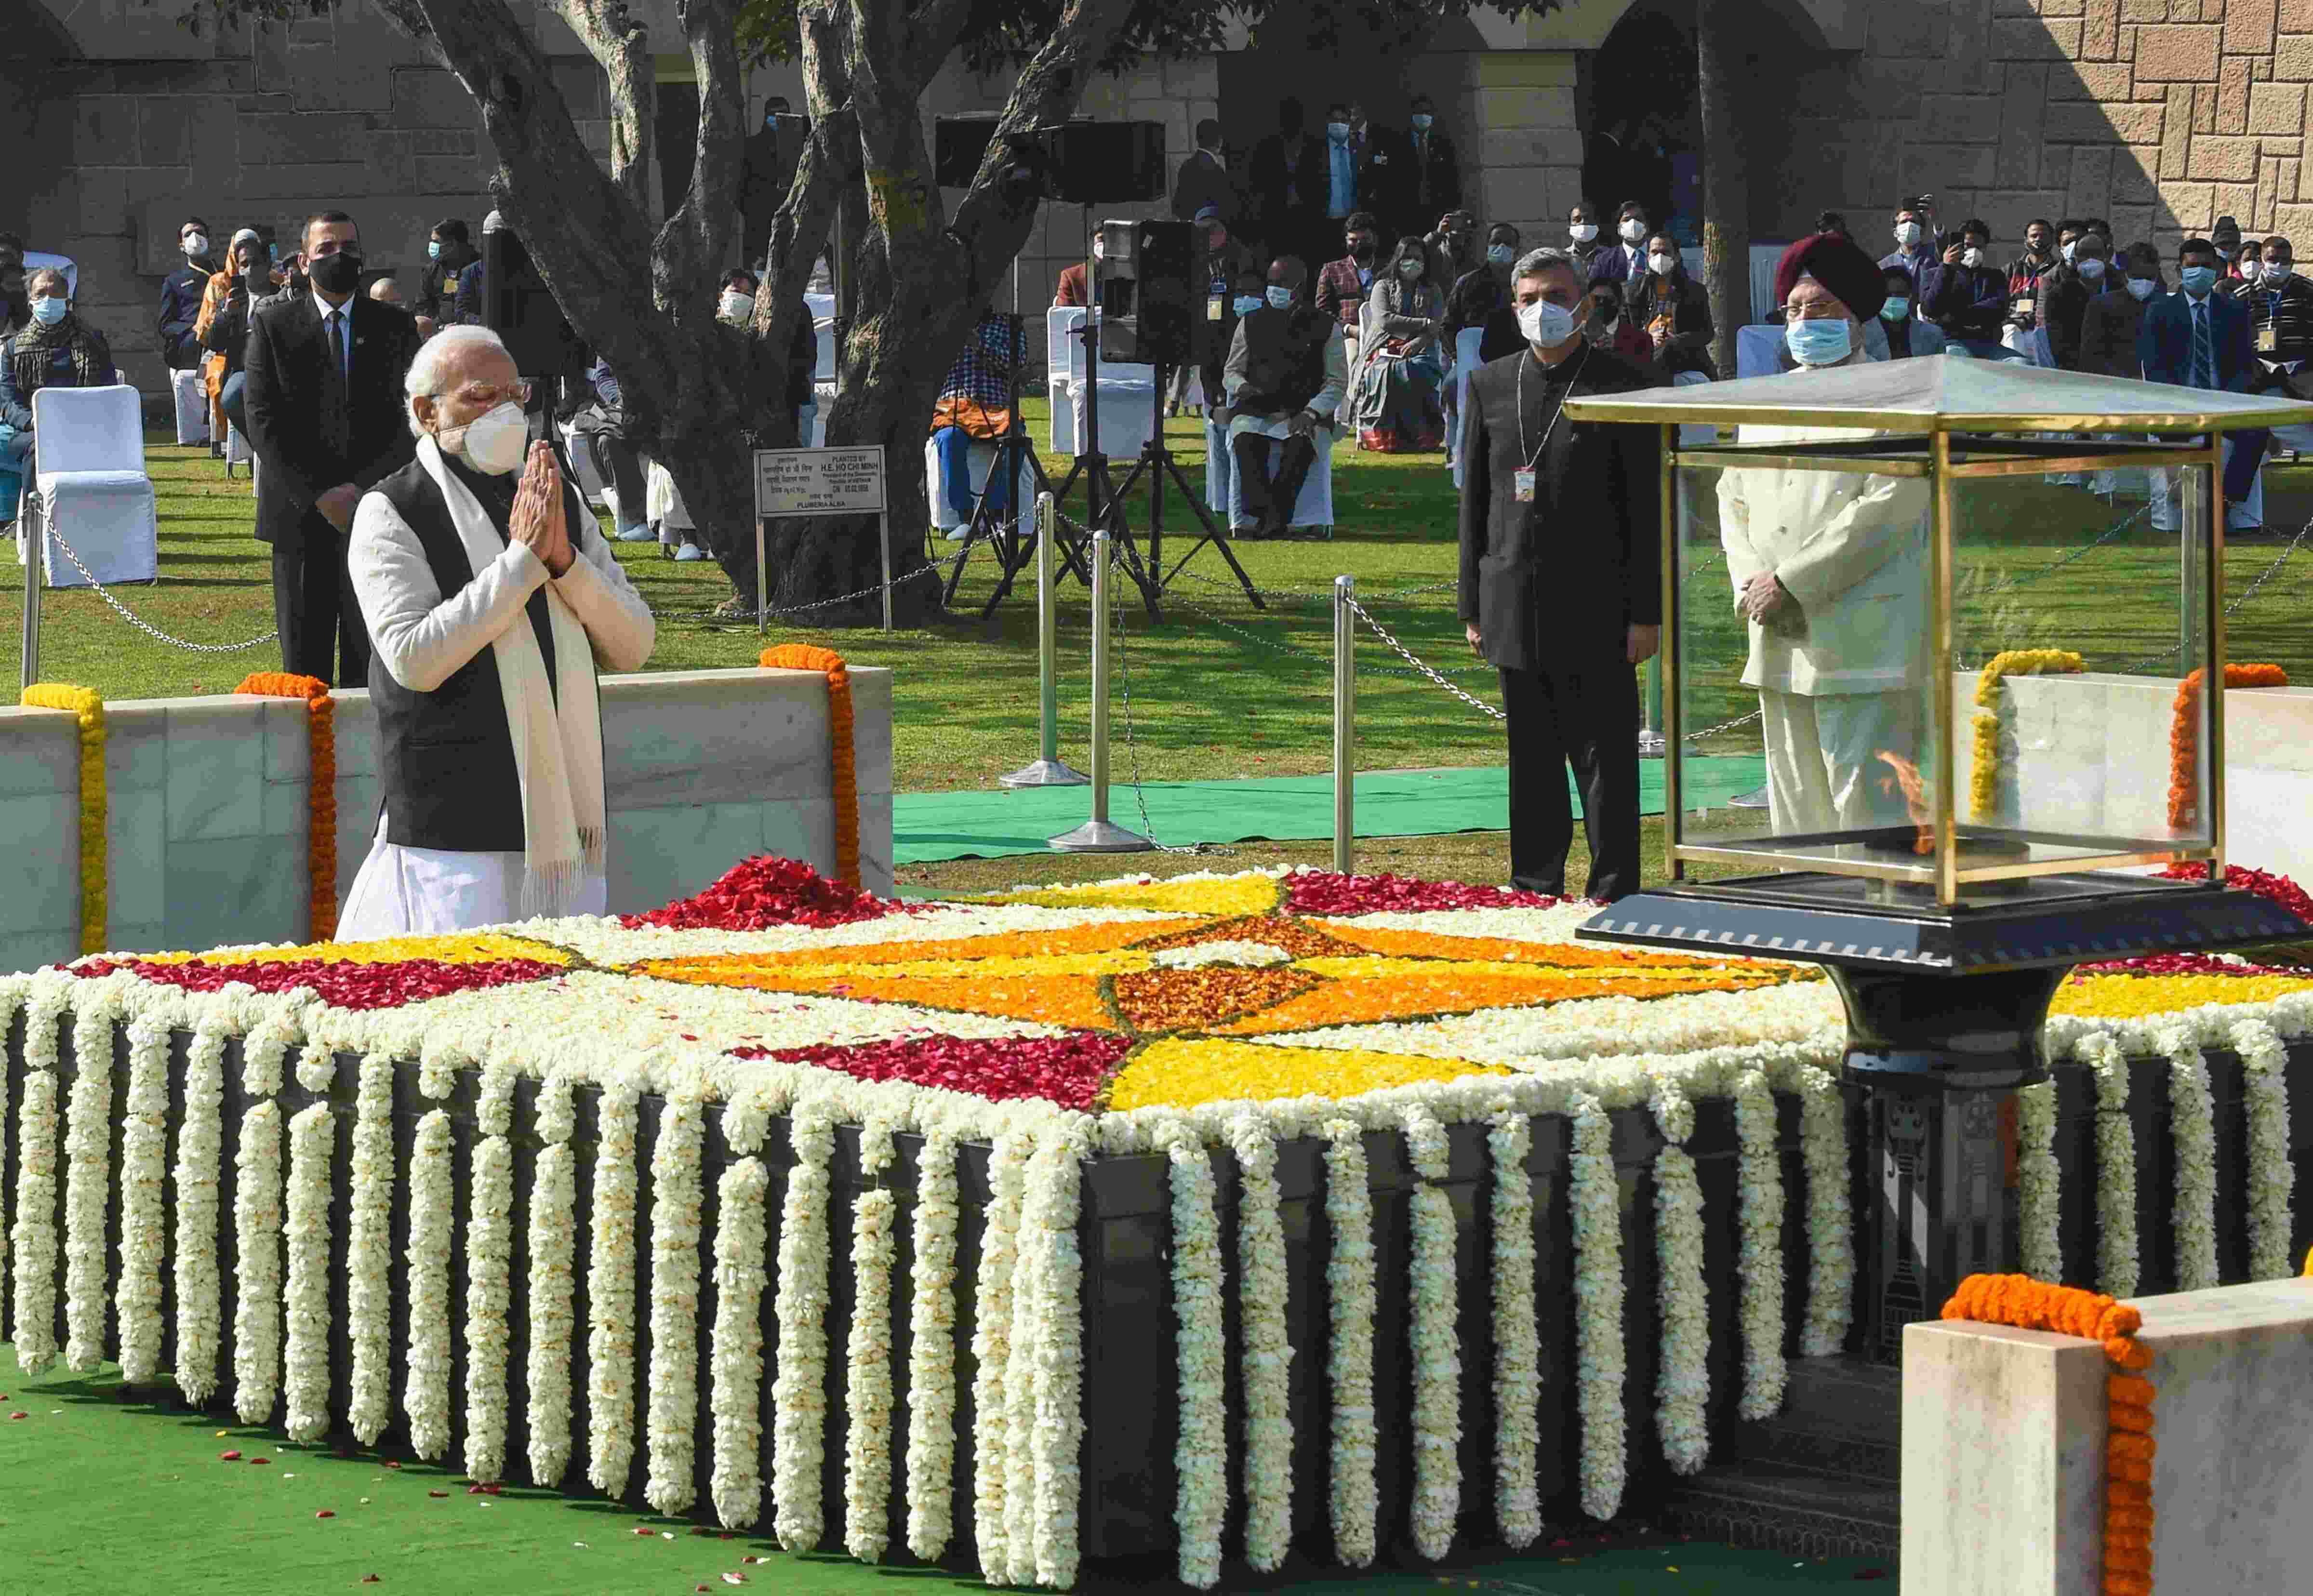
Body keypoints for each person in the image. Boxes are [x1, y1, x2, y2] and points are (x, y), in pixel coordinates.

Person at [339, 324, 655, 939]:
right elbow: (413, 658)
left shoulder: (554, 496)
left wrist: (565, 565)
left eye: (516, 395)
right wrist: (523, 565)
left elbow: (634, 644)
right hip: (453, 829)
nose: (507, 412)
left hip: (564, 823)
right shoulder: (393, 509)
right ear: (428, 412)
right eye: (483, 396)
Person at [1457, 245, 1661, 901]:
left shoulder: (1621, 383)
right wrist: (1473, 606)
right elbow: (1475, 506)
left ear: (1583, 304)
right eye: (1529, 299)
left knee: (1606, 764)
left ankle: (1613, 888)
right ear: (1514, 307)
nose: (1543, 309)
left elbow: (1646, 508)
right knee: (1534, 763)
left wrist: (1646, 612)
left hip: (1601, 604)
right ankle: (1534, 884)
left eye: (1555, 296)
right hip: (1514, 600)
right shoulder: (1489, 384)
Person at [1719, 233, 1929, 842]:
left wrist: (1792, 581)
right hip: (1776, 634)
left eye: (1821, 309)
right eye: (1794, 310)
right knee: (1796, 806)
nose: (1804, 321)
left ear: (1856, 318)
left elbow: (1889, 507)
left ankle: (1879, 921)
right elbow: (1731, 498)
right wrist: (1753, 583)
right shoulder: (1767, 400)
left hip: (1863, 636)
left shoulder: (1900, 400)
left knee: (1866, 801)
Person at [243, 210, 425, 687]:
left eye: (348, 246)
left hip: (377, 516)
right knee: (305, 670)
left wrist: (362, 492)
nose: (338, 256)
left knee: (374, 665)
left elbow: (411, 420)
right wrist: (321, 493)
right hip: (300, 518)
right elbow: (263, 420)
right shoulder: (272, 325)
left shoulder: (395, 328)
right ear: (304, 262)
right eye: (326, 249)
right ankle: (310, 763)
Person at [2138, 236, 2268, 533]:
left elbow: (2243, 364)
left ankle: (2223, 506)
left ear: (2217, 270)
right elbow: (2156, 369)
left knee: (2255, 434)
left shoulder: (2233, 310)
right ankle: (2190, 509)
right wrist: (2186, 403)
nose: (2200, 271)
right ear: (2179, 270)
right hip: (2178, 405)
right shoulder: (2160, 311)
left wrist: (2224, 399)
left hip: (2224, 403)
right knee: (2177, 440)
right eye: (2192, 266)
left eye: (2206, 266)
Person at [1222, 255, 1346, 538]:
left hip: (1304, 411)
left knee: (1299, 450)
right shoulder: (1250, 322)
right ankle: (1261, 514)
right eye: (1271, 283)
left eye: (1281, 284)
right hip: (1257, 410)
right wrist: (1242, 387)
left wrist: (1312, 412)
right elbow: (1231, 370)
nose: (1273, 289)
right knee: (1246, 443)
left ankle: (1275, 518)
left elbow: (1337, 381)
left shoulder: (1326, 326)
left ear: (1299, 288)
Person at [0, 267, 118, 476]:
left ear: (67, 302)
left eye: (55, 293)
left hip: (84, 425)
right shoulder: (13, 349)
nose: (48, 299)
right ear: (31, 303)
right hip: (33, 430)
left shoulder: (93, 341)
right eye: (41, 294)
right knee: (43, 446)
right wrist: (34, 421)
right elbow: (8, 402)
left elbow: (108, 390)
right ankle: (34, 506)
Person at [930, 308, 1026, 536]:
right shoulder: (943, 323)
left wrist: (980, 345)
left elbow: (1017, 363)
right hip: (955, 406)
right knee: (949, 438)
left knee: (1017, 439)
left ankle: (992, 514)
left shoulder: (1008, 325)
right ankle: (966, 518)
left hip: (996, 408)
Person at [1348, 234, 1447, 452]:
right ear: (1398, 259)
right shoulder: (1383, 286)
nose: (1412, 262)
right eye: (1407, 257)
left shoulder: (1433, 290)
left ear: (1425, 262)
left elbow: (1436, 326)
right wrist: (1423, 322)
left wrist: (1419, 342)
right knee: (1386, 371)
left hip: (1421, 348)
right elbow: (1385, 320)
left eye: (1417, 258)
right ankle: (1386, 438)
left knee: (1416, 369)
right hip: (1382, 346)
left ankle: (1418, 438)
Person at [196, 230, 267, 445]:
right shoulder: (232, 295)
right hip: (243, 368)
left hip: (278, 368)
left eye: (256, 263)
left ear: (267, 263)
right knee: (230, 396)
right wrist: (226, 316)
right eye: (244, 265)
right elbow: (214, 342)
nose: (251, 270)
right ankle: (260, 445)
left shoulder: (280, 292)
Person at [1249, 99, 1329, 276]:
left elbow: (1322, 180)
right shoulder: (1269, 146)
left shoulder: (1313, 146)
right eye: (1287, 119)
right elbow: (1259, 181)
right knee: (1280, 262)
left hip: (1307, 215)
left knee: (1308, 259)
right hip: (1278, 215)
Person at [1919, 218, 2013, 359]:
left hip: (1988, 344)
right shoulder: (1934, 274)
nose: (1973, 251)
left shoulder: (1995, 276)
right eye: (1968, 246)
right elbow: (1931, 309)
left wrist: (1952, 316)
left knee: (2020, 363)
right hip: (1951, 342)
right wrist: (1947, 268)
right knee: (1958, 359)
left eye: (1979, 247)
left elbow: (1998, 310)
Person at [1632, 229, 1715, 379]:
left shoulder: (1694, 291)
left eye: (1665, 253)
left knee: (1667, 349)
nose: (1660, 257)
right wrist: (1647, 338)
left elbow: (1706, 333)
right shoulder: (1636, 292)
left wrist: (1674, 341)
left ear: (1676, 257)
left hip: (1682, 355)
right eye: (1655, 252)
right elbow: (1628, 330)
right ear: (1648, 256)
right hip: (1646, 349)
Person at [2038, 229, 2110, 372]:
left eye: (2096, 254)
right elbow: (2061, 346)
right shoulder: (2059, 296)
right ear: (2076, 259)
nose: (2090, 259)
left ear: (2107, 256)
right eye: (2084, 255)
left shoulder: (2120, 285)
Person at [1445, 222, 1521, 352]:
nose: (1502, 247)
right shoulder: (1466, 283)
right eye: (1496, 242)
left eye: (1508, 243)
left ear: (1517, 251)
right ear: (1487, 248)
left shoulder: (1527, 284)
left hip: (1516, 359)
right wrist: (1457, 355)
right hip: (1476, 362)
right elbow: (1448, 325)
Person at [158, 216, 214, 373]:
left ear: (208, 240)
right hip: (191, 348)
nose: (194, 238)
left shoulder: (223, 273)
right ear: (182, 246)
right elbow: (165, 325)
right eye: (188, 234)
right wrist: (194, 329)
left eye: (199, 233)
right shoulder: (174, 281)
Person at [1315, 211, 1382, 337]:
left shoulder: (1387, 269)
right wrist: (1347, 328)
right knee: (1352, 357)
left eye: (1365, 239)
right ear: (1346, 240)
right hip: (1347, 335)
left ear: (1375, 239)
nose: (1359, 244)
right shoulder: (1331, 270)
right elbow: (1322, 311)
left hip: (1383, 334)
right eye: (1353, 240)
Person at [2003, 218, 2058, 362]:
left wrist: (2026, 322)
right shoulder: (2011, 270)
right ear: (2026, 240)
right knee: (2011, 331)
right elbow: (1999, 301)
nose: (2038, 240)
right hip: (2011, 326)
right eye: (2034, 236)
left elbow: (2052, 308)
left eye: (2043, 236)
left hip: (2039, 329)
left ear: (2052, 240)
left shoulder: (2058, 271)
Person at [1404, 94, 1460, 235]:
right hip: (1408, 211)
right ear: (1411, 115)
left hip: (1437, 211)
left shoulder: (1443, 144)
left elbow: (1452, 179)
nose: (1423, 116)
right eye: (1419, 112)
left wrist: (1452, 211)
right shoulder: (1400, 142)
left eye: (1427, 112)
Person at [1171, 118, 1236, 230]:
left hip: (1189, 230)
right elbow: (1225, 209)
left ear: (1197, 139)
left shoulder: (1186, 166)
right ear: (1219, 142)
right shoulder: (1216, 171)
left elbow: (1178, 206)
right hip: (1209, 233)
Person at [1875, 262, 1944, 359]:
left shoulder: (1932, 335)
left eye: (1900, 294)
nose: (1893, 299)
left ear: (1910, 296)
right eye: (1888, 294)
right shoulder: (1863, 335)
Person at [1879, 195, 1939, 303]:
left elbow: (1944, 248)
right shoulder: (1884, 266)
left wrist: (1937, 222)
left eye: (1914, 222)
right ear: (1895, 232)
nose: (1909, 226)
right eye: (1904, 222)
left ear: (1922, 230)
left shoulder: (1934, 254)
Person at [415, 218, 473, 326]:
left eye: (436, 242)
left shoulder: (478, 268)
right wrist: (436, 325)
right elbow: (422, 306)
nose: (432, 245)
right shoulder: (431, 270)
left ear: (453, 244)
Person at [1582, 280, 1653, 366]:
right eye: (1596, 299)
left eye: (1608, 300)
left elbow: (1644, 373)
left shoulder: (1642, 341)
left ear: (1620, 302)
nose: (1601, 303)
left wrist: (1618, 349)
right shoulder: (1575, 336)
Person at [1587, 200, 1649, 292]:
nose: (1633, 223)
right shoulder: (1604, 261)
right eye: (1627, 220)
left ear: (1647, 226)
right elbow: (1593, 294)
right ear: (1619, 228)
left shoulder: (1661, 254)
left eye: (1638, 219)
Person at [1052, 224, 1099, 308]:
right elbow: (1063, 315)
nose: (1107, 244)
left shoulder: (1125, 276)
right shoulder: (1071, 277)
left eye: (1112, 240)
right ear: (1092, 244)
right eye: (1101, 240)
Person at [1566, 201, 1605, 279]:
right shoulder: (1562, 259)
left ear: (1597, 224)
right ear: (1569, 227)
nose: (1583, 222)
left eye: (1588, 218)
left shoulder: (1611, 256)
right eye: (1577, 220)